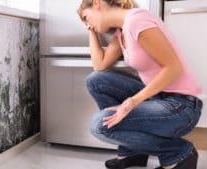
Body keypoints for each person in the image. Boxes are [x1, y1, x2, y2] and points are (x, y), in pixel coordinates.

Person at [77, 0, 203, 169]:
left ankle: (178, 153)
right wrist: (92, 31)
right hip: (158, 98)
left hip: (181, 106)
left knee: (100, 126)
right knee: (97, 80)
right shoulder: (122, 32)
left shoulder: (138, 21)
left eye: (86, 17)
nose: (86, 23)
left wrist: (133, 101)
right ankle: (133, 152)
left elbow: (174, 68)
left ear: (97, 3)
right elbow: (99, 64)